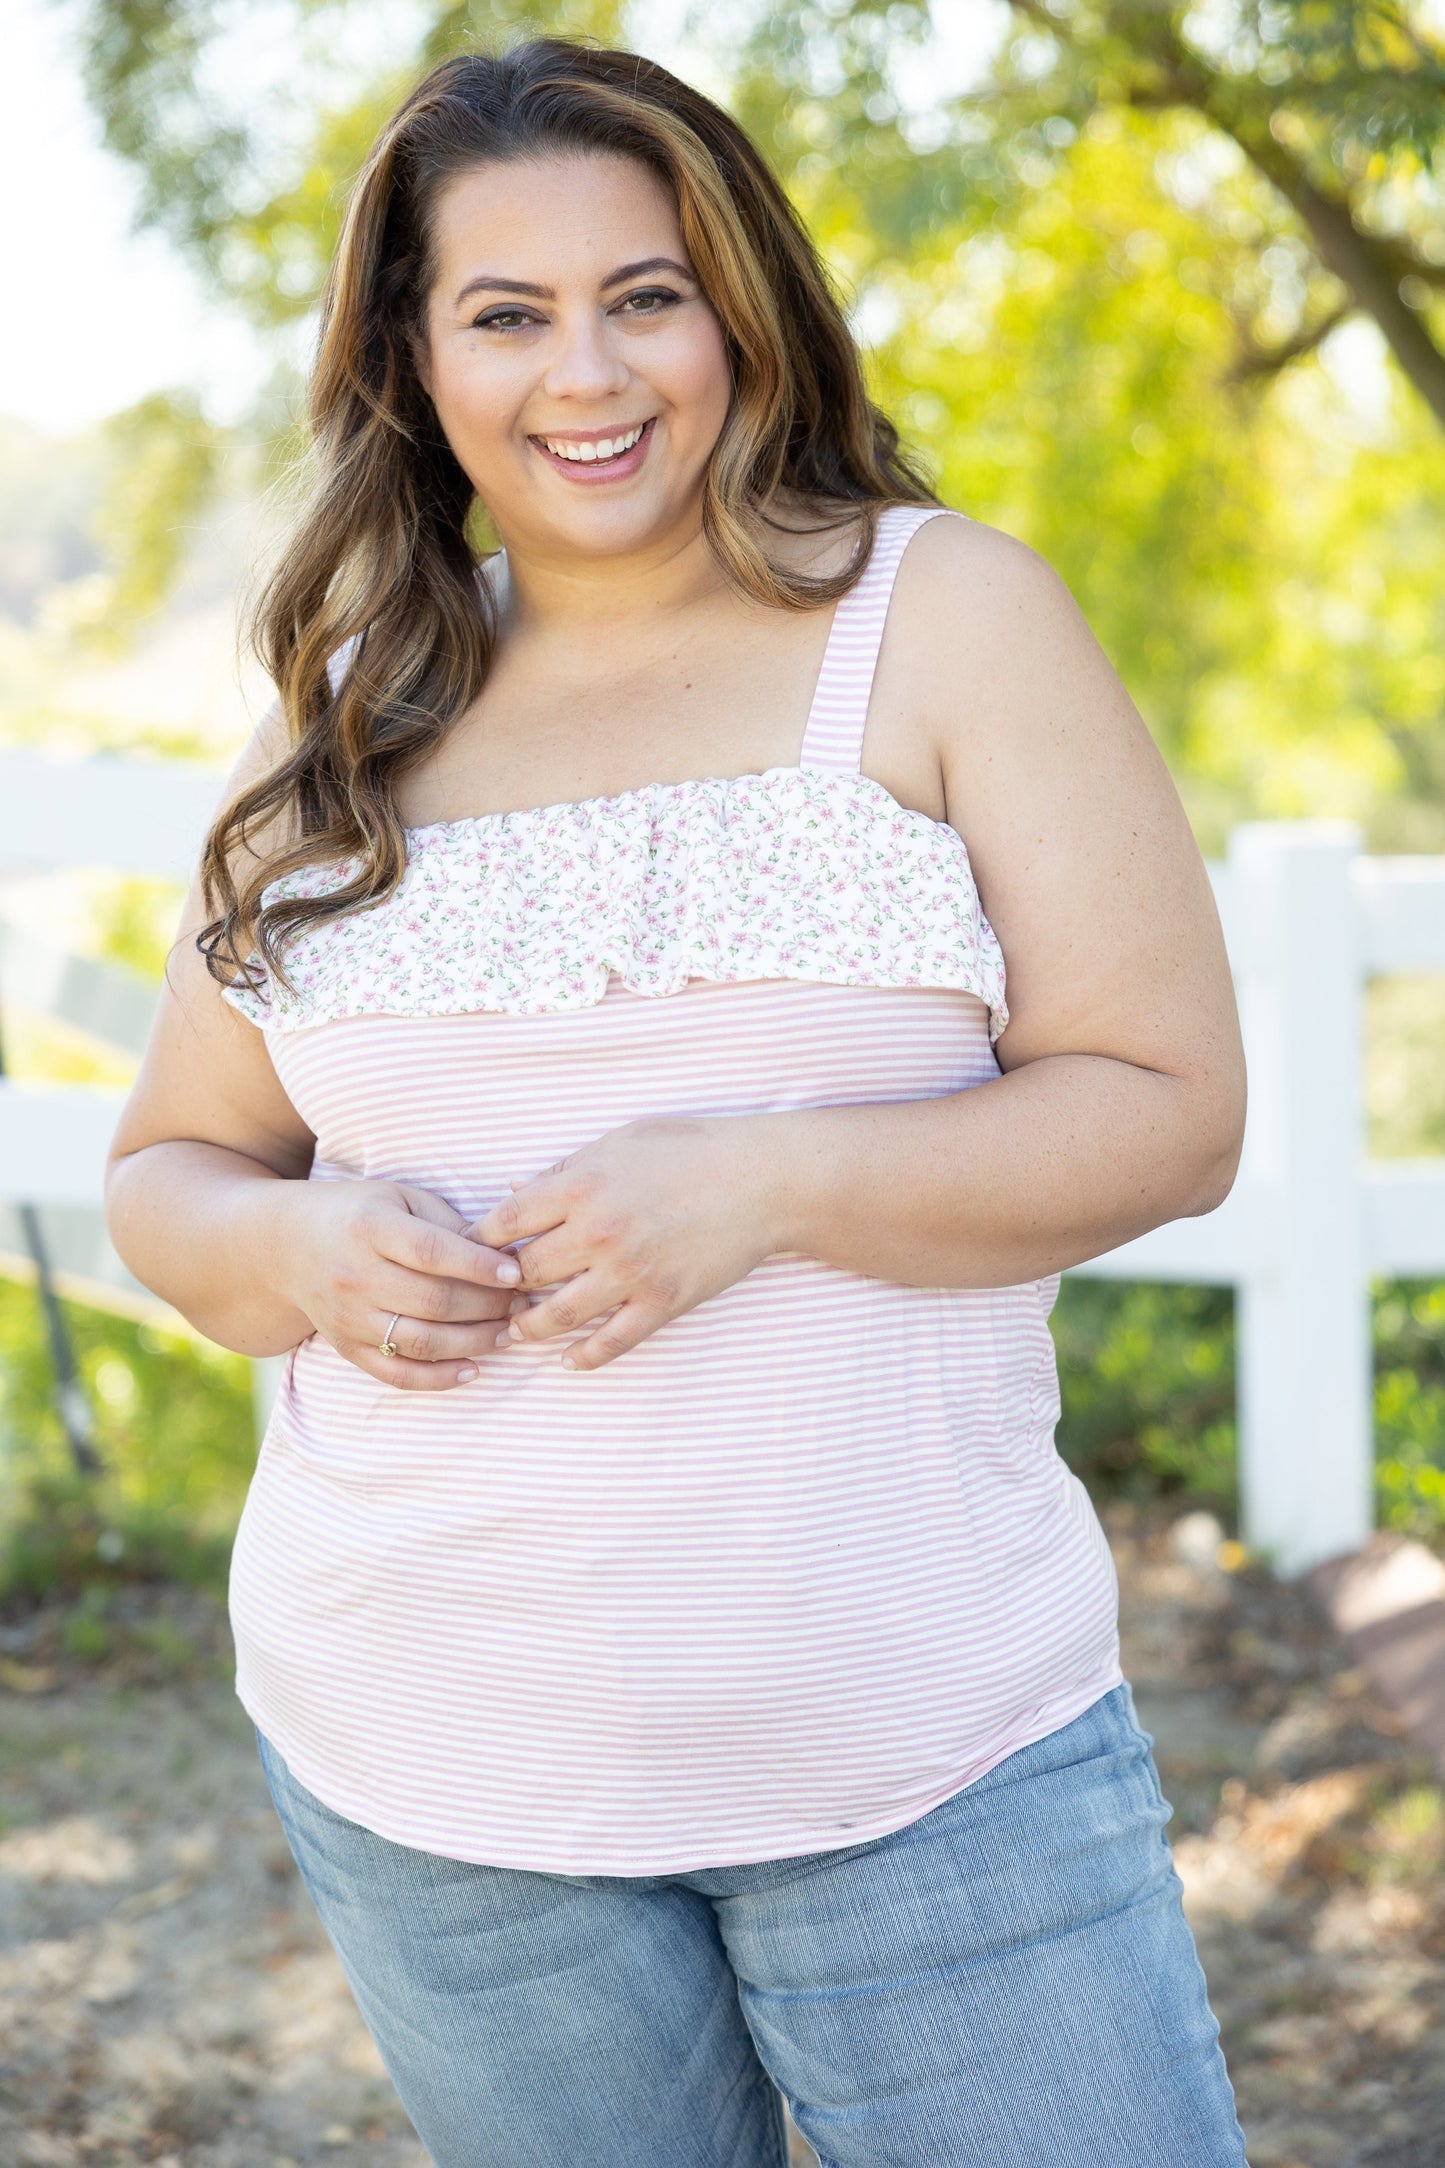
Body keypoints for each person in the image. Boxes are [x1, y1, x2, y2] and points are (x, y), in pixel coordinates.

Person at [104, 35, 1250, 2168]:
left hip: (928, 1745)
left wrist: (776, 1184)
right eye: (505, 313)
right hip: (433, 1777)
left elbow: (1172, 1107)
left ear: (742, 307)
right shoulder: (347, 719)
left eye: (647, 293)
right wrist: (291, 1247)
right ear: (410, 361)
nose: (587, 373)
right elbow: (172, 1171)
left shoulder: (943, 619)